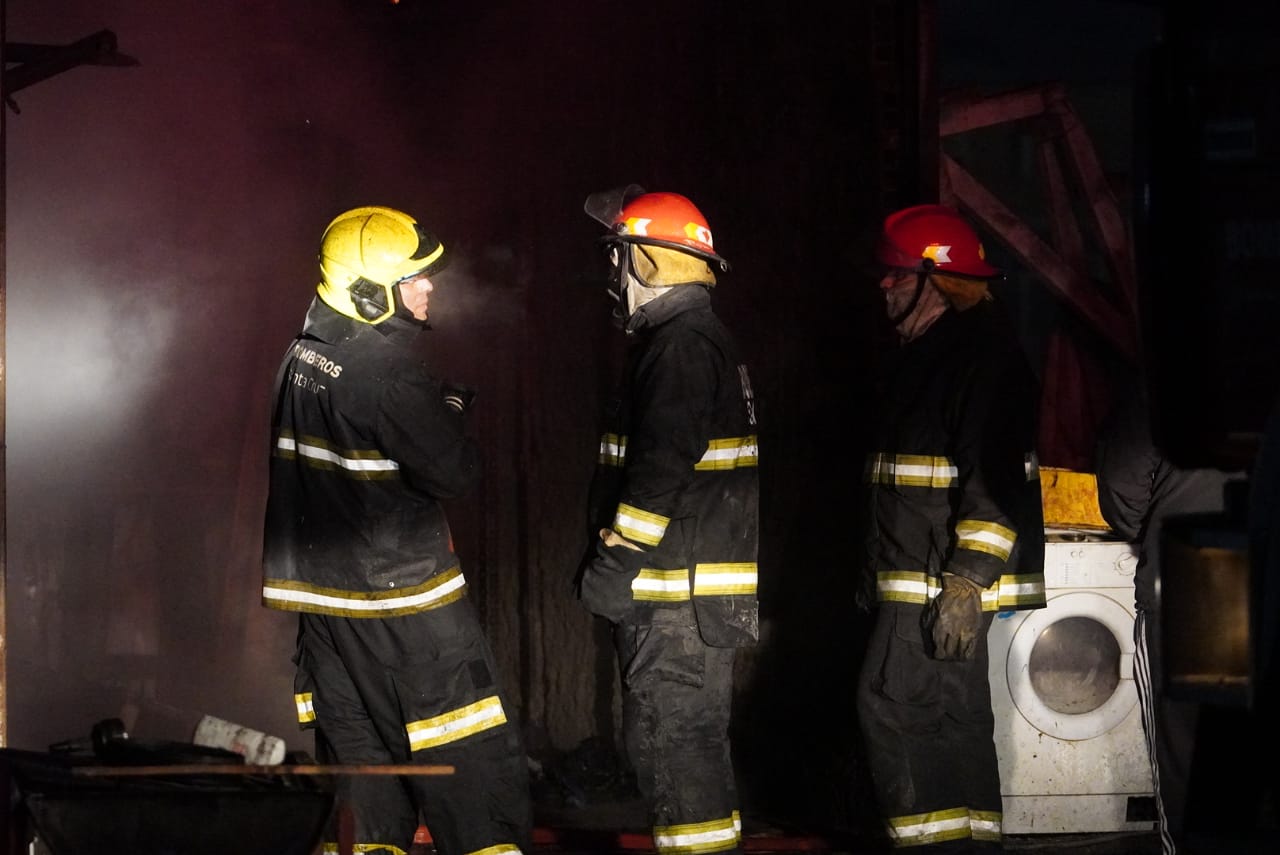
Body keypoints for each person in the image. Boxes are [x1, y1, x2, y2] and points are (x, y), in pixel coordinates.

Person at [261, 205, 532, 855]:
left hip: (326, 615)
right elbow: (453, 470)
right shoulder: (387, 372)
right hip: (409, 613)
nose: (429, 287)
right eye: (412, 279)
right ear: (364, 292)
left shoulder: (300, 356)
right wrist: (447, 411)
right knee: (472, 770)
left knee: (367, 789)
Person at [855, 204, 1046, 852]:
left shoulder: (980, 358)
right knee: (951, 721)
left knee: (893, 707)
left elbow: (995, 482)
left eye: (896, 274)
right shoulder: (933, 355)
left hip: (937, 578)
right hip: (919, 570)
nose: (883, 285)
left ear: (937, 281)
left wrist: (966, 582)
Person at [576, 186, 760, 855]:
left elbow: (657, 473)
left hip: (672, 598)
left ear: (648, 263)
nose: (614, 275)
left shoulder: (679, 347)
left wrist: (614, 563)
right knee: (694, 750)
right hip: (692, 595)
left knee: (671, 746)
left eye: (620, 256)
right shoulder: (698, 339)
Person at [1095, 385, 1248, 854]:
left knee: (1184, 760)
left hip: (1187, 585)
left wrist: (1157, 527)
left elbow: (1121, 484)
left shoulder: (1169, 379)